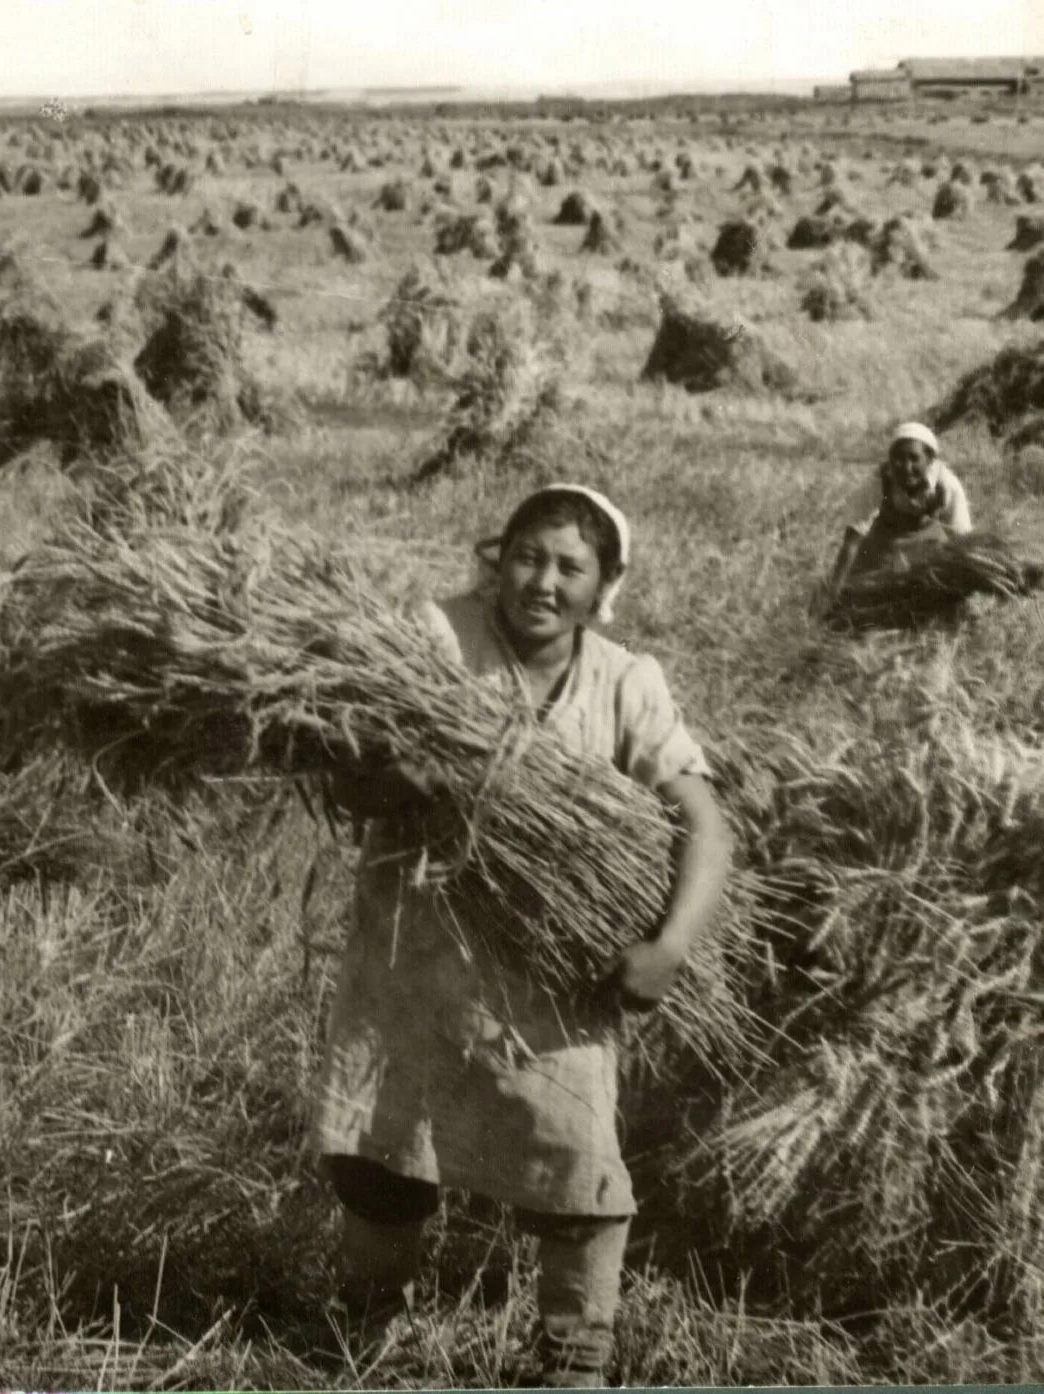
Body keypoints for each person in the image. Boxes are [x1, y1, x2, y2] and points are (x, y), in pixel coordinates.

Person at [313, 484, 733, 1388]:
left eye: (569, 567)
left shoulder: (626, 681)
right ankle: (366, 1338)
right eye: (526, 556)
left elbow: (706, 820)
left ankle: (573, 1361)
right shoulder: (432, 640)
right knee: (385, 1153)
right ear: (495, 556)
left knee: (577, 1169)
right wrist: (397, 779)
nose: (542, 582)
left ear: (604, 584)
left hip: (549, 979)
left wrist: (669, 947)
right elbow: (346, 771)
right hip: (413, 956)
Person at [822, 422, 972, 606]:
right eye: (898, 458)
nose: (906, 467)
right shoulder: (879, 480)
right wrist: (835, 591)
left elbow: (963, 538)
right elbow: (853, 539)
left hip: (928, 546)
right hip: (886, 543)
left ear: (930, 459)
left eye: (914, 458)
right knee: (859, 596)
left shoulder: (946, 485)